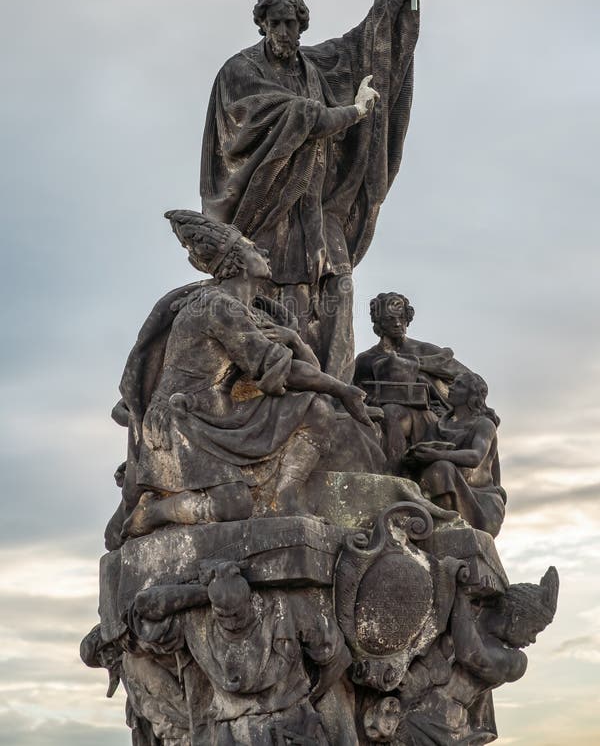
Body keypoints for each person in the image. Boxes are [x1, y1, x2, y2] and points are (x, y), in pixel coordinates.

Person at [200, 0, 422, 381]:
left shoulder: (311, 68)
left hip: (315, 210)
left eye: (291, 23)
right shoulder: (240, 71)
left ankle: (336, 392)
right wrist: (354, 111)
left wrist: (392, 4)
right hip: (265, 209)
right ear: (262, 24)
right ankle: (272, 383)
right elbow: (299, 115)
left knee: (338, 285)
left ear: (302, 25)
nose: (284, 32)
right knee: (272, 294)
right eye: (276, 23)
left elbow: (356, 49)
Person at [110, 210, 372, 543]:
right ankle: (154, 512)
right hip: (186, 420)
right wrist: (343, 390)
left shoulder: (251, 312)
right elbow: (284, 371)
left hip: (225, 413)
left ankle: (286, 498)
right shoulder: (217, 306)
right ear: (237, 261)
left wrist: (296, 343)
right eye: (252, 248)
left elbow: (297, 367)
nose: (263, 252)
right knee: (232, 506)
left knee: (316, 409)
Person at [128, 562, 351, 745]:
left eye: (237, 613)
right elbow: (143, 606)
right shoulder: (196, 620)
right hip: (233, 734)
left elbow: (337, 656)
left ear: (250, 598)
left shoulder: (283, 607)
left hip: (292, 726)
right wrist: (205, 592)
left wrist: (314, 694)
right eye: (223, 615)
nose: (232, 622)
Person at [400, 569, 559, 745]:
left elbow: (471, 656)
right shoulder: (473, 612)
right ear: (516, 617)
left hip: (442, 723)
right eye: (534, 630)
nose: (533, 639)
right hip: (404, 699)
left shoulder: (516, 662)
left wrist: (462, 594)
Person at [353, 292, 468, 473]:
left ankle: (398, 473)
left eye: (401, 317)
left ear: (408, 318)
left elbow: (469, 381)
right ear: (379, 321)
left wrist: (418, 366)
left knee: (393, 413)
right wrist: (371, 399)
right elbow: (356, 393)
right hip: (383, 413)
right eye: (390, 319)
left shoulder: (425, 350)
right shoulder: (366, 359)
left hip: (428, 413)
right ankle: (392, 473)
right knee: (387, 413)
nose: (398, 324)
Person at [408, 372, 506, 538]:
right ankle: (441, 519)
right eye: (453, 383)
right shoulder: (437, 426)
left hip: (480, 501)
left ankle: (448, 522)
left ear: (472, 395)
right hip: (442, 489)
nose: (452, 387)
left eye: (459, 385)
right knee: (436, 469)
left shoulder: (484, 424)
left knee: (442, 467)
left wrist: (437, 455)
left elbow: (475, 457)